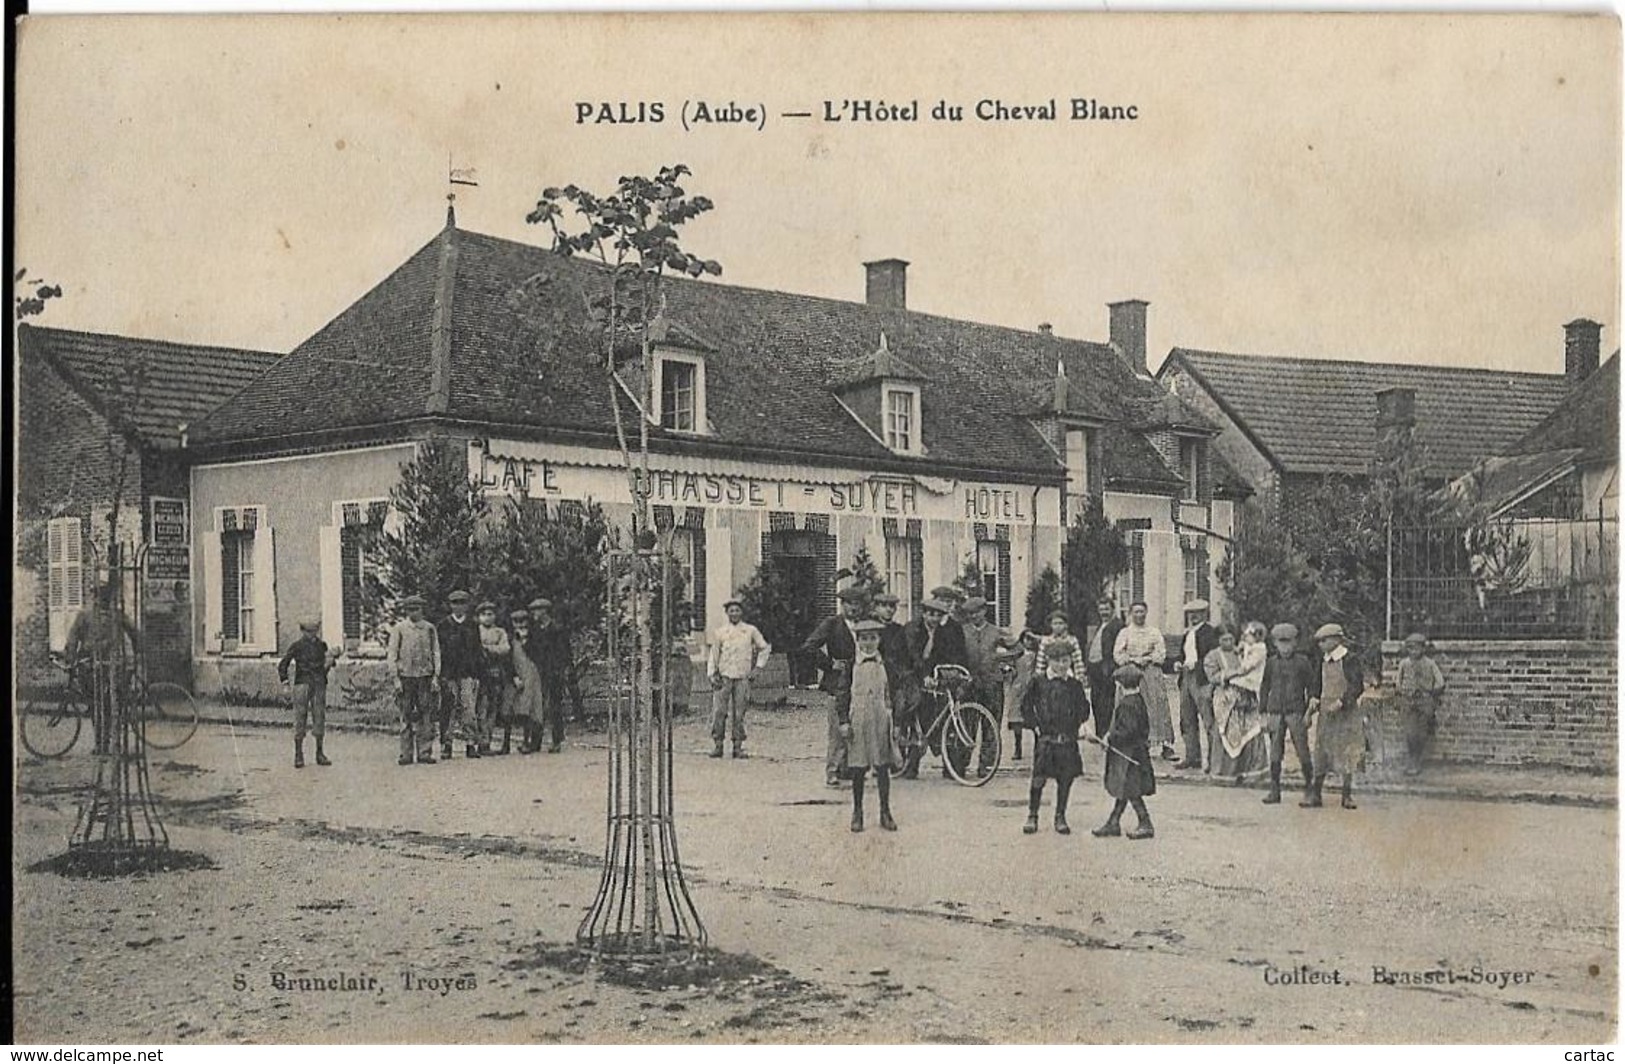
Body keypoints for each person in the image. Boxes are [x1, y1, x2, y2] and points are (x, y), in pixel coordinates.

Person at [836, 619, 901, 832]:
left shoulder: (888, 664)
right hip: (858, 719)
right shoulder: (850, 665)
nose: (868, 643)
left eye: (872, 638)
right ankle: (857, 812)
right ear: (858, 640)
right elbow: (842, 694)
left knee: (882, 766)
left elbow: (896, 693)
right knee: (858, 767)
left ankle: (885, 812)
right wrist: (844, 721)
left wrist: (897, 722)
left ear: (879, 639)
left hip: (881, 718)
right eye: (864, 638)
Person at [1020, 641, 1088, 834]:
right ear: (1049, 661)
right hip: (1046, 739)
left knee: (1065, 779)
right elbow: (1026, 706)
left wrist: (1078, 724)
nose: (1061, 665)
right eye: (1057, 661)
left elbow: (1083, 708)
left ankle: (1060, 816)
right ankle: (1032, 815)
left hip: (1067, 739)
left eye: (1065, 661)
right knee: (1038, 778)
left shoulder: (1074, 685)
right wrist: (1035, 727)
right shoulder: (1039, 682)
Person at [800, 586, 866, 787]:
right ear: (842, 604)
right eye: (850, 604)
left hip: (861, 680)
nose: (854, 608)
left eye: (857, 604)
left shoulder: (865, 625)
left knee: (857, 726)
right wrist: (829, 664)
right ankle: (832, 770)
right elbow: (808, 647)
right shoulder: (832, 624)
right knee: (838, 729)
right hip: (837, 682)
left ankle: (848, 768)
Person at [63, 582, 138, 755]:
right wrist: (137, 652)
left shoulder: (91, 615)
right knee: (105, 705)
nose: (101, 600)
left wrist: (71, 658)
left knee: (99, 705)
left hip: (100, 666)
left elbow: (73, 639)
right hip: (99, 665)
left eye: (102, 597)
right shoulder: (108, 615)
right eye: (101, 597)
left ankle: (103, 744)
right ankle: (109, 742)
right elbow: (135, 633)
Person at [900, 595, 970, 779]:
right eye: (930, 614)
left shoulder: (943, 632)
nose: (933, 619)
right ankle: (909, 764)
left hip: (930, 676)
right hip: (910, 674)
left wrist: (955, 672)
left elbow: (948, 655)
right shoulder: (912, 629)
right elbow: (913, 656)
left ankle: (950, 766)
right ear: (923, 614)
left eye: (938, 615)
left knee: (938, 716)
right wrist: (923, 676)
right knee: (917, 713)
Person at [1093, 663, 1156, 840]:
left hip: (1129, 754)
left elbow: (1128, 730)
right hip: (1136, 752)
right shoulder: (1138, 700)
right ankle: (1113, 822)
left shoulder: (1127, 704)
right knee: (1125, 787)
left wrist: (1110, 738)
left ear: (1120, 684)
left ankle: (1145, 823)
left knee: (1130, 789)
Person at [1258, 622, 1318, 806]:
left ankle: (1310, 789)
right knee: (1275, 752)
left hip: (1296, 712)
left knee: (1302, 750)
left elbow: (1312, 687)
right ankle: (1274, 790)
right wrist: (1262, 713)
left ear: (1295, 643)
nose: (1285, 647)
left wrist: (1309, 711)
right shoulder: (1270, 663)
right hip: (1275, 711)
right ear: (1274, 643)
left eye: (1288, 642)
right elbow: (1264, 687)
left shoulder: (1303, 662)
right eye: (1280, 642)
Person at [1310, 623, 1366, 810]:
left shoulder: (1350, 659)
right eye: (1319, 642)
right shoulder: (1322, 660)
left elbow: (1357, 686)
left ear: (1336, 640)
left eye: (1324, 641)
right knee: (1321, 751)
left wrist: (1342, 702)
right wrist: (1314, 698)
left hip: (1346, 713)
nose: (1321, 645)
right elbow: (1317, 684)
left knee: (1347, 752)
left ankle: (1347, 796)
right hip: (1326, 712)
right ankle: (1316, 794)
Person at [706, 598, 770, 759]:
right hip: (724, 676)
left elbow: (764, 648)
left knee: (739, 713)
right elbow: (714, 655)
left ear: (741, 612)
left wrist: (758, 668)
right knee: (719, 711)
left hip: (742, 677)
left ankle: (738, 746)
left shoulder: (750, 631)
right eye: (731, 610)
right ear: (727, 613)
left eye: (737, 610)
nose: (734, 613)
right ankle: (718, 744)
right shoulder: (720, 632)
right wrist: (712, 674)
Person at [1113, 602, 1175, 762]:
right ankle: (1134, 745)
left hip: (1151, 672)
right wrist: (1132, 660)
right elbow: (1118, 654)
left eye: (1142, 612)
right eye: (1136, 612)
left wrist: (1147, 659)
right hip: (1131, 674)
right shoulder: (1125, 633)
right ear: (1130, 613)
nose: (1139, 615)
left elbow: (1161, 653)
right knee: (1130, 705)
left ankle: (1165, 745)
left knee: (1157, 706)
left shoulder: (1154, 632)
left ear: (1146, 613)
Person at [960, 596, 1015, 777]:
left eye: (977, 612)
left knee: (991, 725)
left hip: (992, 683)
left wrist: (1000, 658)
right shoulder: (962, 631)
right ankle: (962, 764)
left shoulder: (997, 632)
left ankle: (985, 766)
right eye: (970, 613)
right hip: (969, 684)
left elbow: (1018, 649)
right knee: (967, 724)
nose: (974, 616)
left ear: (984, 611)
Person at [1210, 622, 1270, 783]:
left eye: (1230, 639)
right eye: (1224, 640)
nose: (1228, 643)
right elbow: (1213, 677)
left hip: (1247, 697)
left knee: (1251, 732)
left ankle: (1251, 771)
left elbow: (1253, 667)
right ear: (1218, 640)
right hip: (1226, 700)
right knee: (1229, 733)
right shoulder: (1213, 656)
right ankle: (1228, 772)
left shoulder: (1244, 651)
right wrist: (1231, 674)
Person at [388, 594, 441, 766]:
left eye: (416, 609)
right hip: (406, 678)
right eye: (410, 609)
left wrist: (435, 676)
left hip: (424, 677)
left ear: (422, 609)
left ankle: (425, 752)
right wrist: (395, 678)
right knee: (406, 715)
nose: (413, 612)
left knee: (426, 715)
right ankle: (406, 753)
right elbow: (392, 654)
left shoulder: (429, 628)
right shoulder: (400, 629)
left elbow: (436, 652)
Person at [278, 619, 335, 768]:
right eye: (309, 631)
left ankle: (319, 753)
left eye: (315, 631)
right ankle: (298, 754)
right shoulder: (297, 646)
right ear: (302, 631)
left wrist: (330, 661)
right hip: (302, 684)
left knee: (319, 718)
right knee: (300, 719)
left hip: (318, 685)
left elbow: (325, 668)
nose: (313, 634)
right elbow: (283, 664)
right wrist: (285, 683)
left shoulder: (322, 646)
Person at [873, 592, 923, 759]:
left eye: (892, 607)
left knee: (903, 707)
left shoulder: (899, 630)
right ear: (876, 607)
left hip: (896, 676)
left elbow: (906, 654)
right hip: (876, 676)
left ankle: (899, 753)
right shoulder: (870, 629)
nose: (888, 610)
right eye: (884, 606)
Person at [437, 589, 484, 759]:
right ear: (450, 606)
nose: (459, 607)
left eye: (462, 603)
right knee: (448, 708)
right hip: (449, 673)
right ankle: (446, 744)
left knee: (468, 708)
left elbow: (478, 651)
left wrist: (477, 674)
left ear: (467, 605)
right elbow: (439, 651)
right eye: (455, 603)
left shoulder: (472, 625)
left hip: (467, 673)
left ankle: (471, 743)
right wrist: (440, 674)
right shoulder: (443, 625)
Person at [1175, 600, 1221, 770]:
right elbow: (1183, 655)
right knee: (1186, 718)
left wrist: (1198, 664)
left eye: (1198, 613)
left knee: (1208, 718)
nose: (1194, 617)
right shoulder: (1188, 634)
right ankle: (1192, 756)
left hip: (1202, 679)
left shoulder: (1210, 633)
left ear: (1205, 614)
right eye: (1191, 613)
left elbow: (1214, 656)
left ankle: (1213, 759)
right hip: (1186, 677)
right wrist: (1178, 663)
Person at [526, 598, 573, 753]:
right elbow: (531, 651)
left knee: (554, 707)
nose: (534, 614)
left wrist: (562, 670)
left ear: (544, 611)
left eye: (536, 610)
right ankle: (535, 742)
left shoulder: (557, 630)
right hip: (539, 672)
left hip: (554, 672)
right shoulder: (535, 631)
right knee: (537, 707)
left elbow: (564, 653)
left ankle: (557, 740)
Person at [1396, 633, 1446, 776]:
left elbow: (1440, 682)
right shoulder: (1404, 663)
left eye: (1416, 648)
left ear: (1423, 649)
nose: (1413, 652)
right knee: (1410, 733)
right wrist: (1404, 691)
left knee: (1422, 733)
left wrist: (1430, 693)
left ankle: (1417, 761)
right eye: (1410, 649)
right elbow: (1398, 682)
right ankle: (1412, 760)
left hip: (1425, 702)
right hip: (1409, 701)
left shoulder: (1430, 664)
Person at [998, 629, 1042, 761]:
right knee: (1017, 719)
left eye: (1030, 639)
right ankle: (1018, 748)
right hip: (1018, 688)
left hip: (1034, 689)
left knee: (1035, 718)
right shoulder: (1017, 655)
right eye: (1025, 639)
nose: (1028, 642)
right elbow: (1009, 668)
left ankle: (1038, 748)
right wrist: (1009, 671)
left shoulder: (1038, 656)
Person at [476, 602, 514, 755]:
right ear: (479, 617)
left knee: (493, 706)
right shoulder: (475, 631)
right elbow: (473, 649)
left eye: (490, 614)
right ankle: (480, 741)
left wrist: (488, 649)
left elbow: (505, 649)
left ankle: (487, 741)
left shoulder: (500, 632)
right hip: (478, 672)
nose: (487, 617)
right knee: (480, 707)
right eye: (484, 614)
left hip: (496, 672)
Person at [506, 609, 546, 754]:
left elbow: (540, 656)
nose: (520, 624)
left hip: (533, 677)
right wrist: (513, 676)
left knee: (534, 709)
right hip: (517, 676)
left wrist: (526, 641)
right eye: (516, 622)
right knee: (514, 708)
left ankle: (532, 742)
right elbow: (507, 660)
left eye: (523, 621)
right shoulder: (510, 639)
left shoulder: (535, 638)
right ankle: (507, 743)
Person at [1086, 597, 1125, 741]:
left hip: (1107, 669)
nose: (1104, 612)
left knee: (1107, 702)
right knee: (1096, 700)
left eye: (1106, 609)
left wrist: (1113, 668)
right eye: (1101, 609)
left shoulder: (1118, 626)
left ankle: (1107, 734)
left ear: (1112, 609)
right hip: (1095, 669)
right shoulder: (1099, 625)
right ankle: (1100, 732)